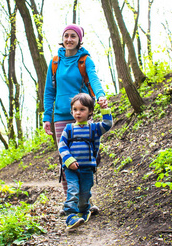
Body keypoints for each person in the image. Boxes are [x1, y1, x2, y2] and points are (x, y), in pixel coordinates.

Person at [43, 24, 108, 213]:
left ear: (79, 40)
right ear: (62, 38)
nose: (69, 39)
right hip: (61, 116)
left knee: (86, 156)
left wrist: (101, 95)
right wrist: (48, 117)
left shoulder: (85, 60)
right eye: (66, 36)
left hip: (82, 114)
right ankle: (70, 202)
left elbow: (94, 79)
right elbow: (49, 91)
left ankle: (85, 201)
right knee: (66, 159)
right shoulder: (55, 62)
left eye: (73, 36)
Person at [59, 93, 113, 229]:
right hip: (71, 168)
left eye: (82, 109)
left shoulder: (94, 129)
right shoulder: (69, 129)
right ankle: (70, 216)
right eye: (75, 109)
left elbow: (107, 124)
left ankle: (84, 210)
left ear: (90, 112)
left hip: (87, 168)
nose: (78, 113)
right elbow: (62, 145)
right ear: (71, 111)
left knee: (84, 193)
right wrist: (68, 160)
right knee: (72, 190)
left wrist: (105, 109)